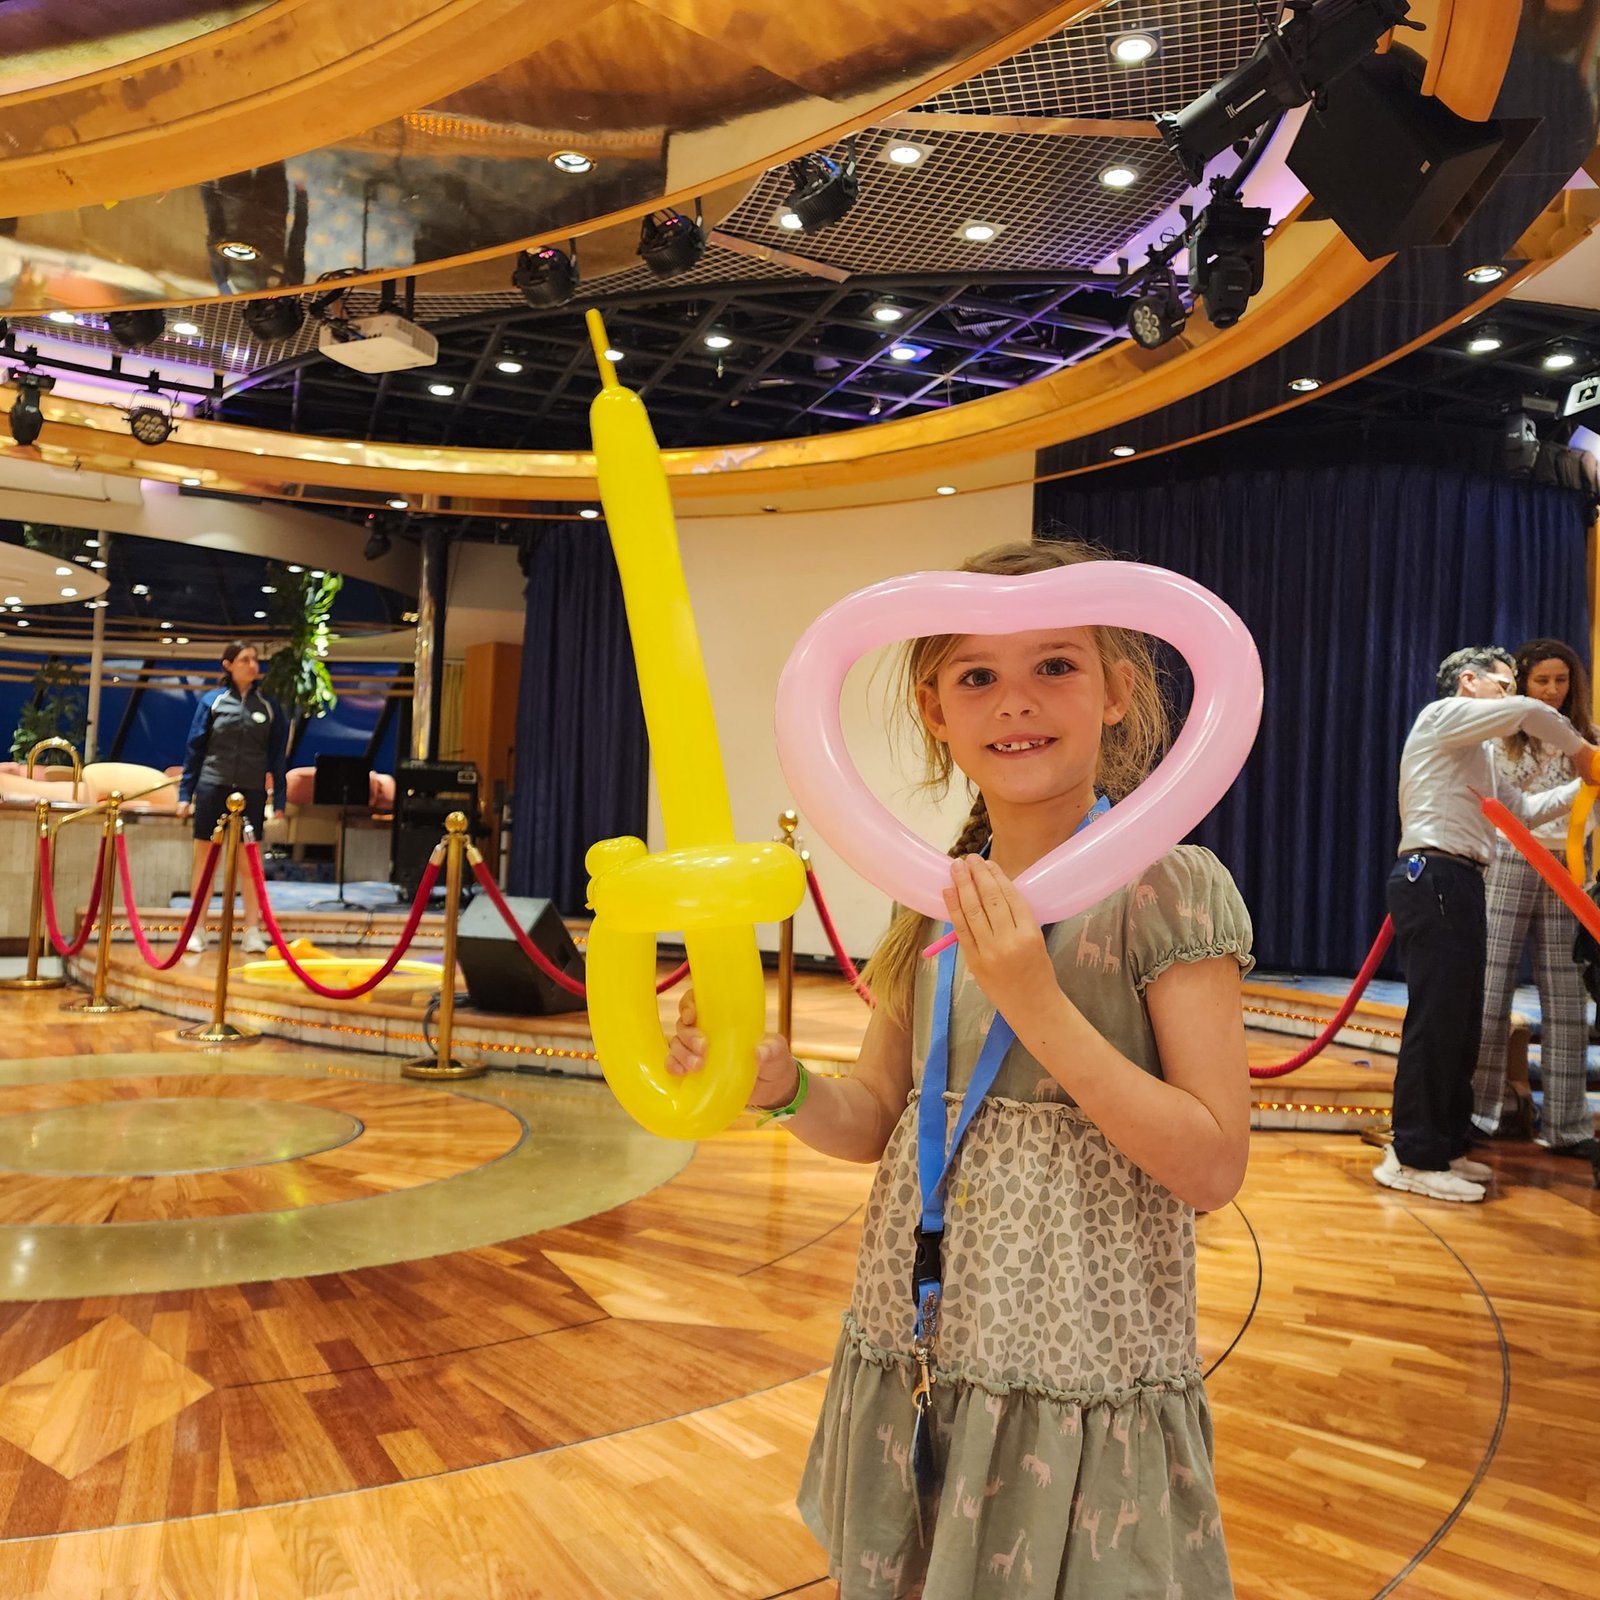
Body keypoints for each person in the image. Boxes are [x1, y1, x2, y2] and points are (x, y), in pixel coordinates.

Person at [672, 539, 1254, 1598]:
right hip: (926, 1342)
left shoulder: (1167, 887)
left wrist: (1036, 998)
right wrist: (779, 1084)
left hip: (1081, 1359)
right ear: (936, 711)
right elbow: (873, 1118)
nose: (1013, 701)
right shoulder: (932, 891)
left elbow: (1211, 1167)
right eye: (976, 675)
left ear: (1118, 692)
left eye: (1055, 664)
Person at [1380, 646, 1600, 1203]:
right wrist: (1581, 752)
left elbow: (1522, 812)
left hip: (1460, 880)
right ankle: (1413, 1155)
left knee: (1461, 1021)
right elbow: (1530, 712)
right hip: (1433, 874)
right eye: (1503, 685)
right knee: (1438, 1020)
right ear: (1469, 682)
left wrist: (1586, 784)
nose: (1511, 695)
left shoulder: (1475, 752)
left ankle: (1445, 1144)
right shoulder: (1442, 716)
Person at [1472, 640, 1600, 1160]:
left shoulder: (1587, 740)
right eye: (1541, 680)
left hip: (1567, 869)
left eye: (1561, 681)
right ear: (1523, 682)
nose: (1551, 690)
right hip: (1508, 859)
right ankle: (1479, 1113)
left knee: (1568, 996)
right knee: (1492, 986)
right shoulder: (1500, 736)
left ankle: (1568, 1125)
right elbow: (1513, 810)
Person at [176, 641, 288, 955]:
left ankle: (251, 930)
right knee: (204, 863)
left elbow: (277, 756)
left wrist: (279, 800)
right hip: (213, 787)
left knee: (248, 864)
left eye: (255, 659)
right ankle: (197, 928)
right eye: (245, 659)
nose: (253, 665)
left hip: (251, 792)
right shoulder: (212, 702)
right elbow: (194, 750)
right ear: (228, 665)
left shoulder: (269, 706)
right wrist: (185, 794)